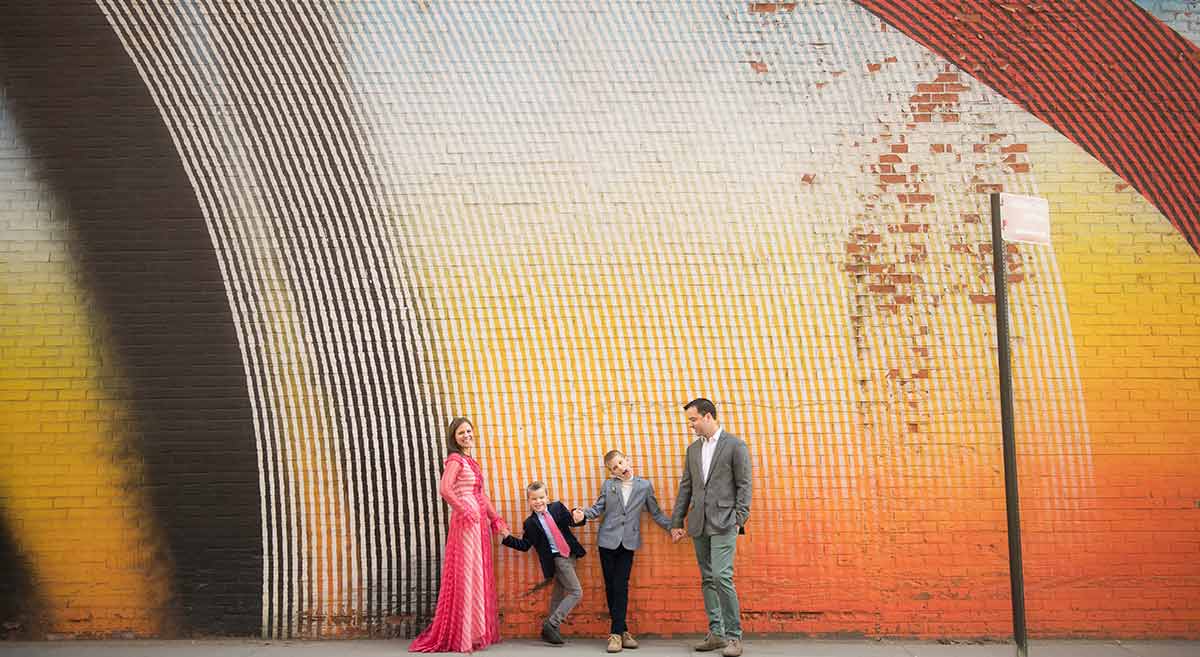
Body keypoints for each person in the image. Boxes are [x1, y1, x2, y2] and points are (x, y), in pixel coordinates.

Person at [409, 417, 510, 653]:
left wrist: (496, 520)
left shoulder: (471, 462)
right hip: (466, 523)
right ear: (454, 438)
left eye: (468, 430)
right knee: (466, 575)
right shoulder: (455, 460)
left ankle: (474, 632)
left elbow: (482, 496)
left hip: (477, 524)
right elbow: (445, 488)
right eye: (460, 433)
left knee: (476, 574)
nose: (466, 435)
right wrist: (465, 510)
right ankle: (463, 635)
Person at [670, 398, 752, 657]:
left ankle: (734, 637)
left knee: (721, 576)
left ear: (708, 416)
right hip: (699, 523)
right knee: (707, 578)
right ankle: (716, 633)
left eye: (693, 420)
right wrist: (677, 521)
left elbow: (744, 483)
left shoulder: (735, 445)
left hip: (725, 521)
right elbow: (686, 486)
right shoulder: (693, 450)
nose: (691, 425)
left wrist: (740, 517)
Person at [572, 450, 671, 653]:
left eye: (619, 463)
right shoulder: (609, 486)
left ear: (627, 460)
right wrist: (581, 513)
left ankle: (615, 634)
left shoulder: (644, 486)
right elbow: (597, 509)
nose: (619, 468)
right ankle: (622, 631)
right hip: (607, 542)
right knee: (610, 587)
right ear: (611, 472)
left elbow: (656, 512)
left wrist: (672, 527)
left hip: (628, 542)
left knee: (621, 585)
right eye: (614, 468)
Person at [501, 481, 587, 645]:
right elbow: (526, 545)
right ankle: (552, 623)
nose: (538, 501)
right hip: (557, 559)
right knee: (576, 592)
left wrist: (579, 516)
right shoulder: (530, 523)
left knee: (558, 595)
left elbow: (572, 520)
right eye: (534, 499)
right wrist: (508, 538)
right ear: (529, 501)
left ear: (547, 497)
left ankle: (550, 631)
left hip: (570, 555)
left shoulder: (557, 508)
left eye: (541, 497)